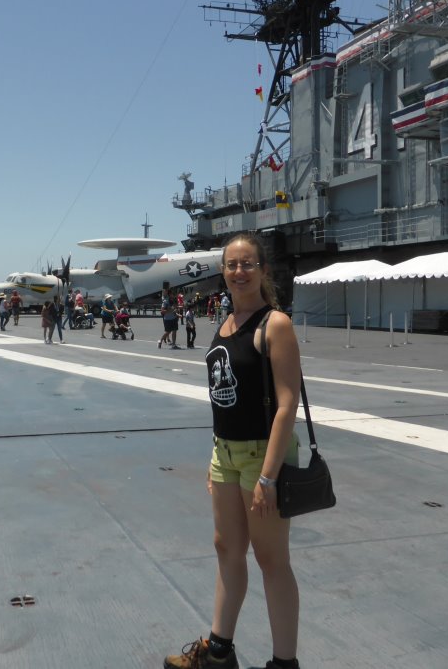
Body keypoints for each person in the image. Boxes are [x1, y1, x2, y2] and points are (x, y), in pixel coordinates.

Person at [164, 232, 302, 669]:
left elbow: (287, 404)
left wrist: (268, 475)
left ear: (263, 270)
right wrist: (215, 456)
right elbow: (225, 396)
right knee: (226, 547)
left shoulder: (274, 323)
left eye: (247, 264)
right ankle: (219, 652)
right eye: (231, 264)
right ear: (222, 271)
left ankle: (284, 663)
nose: (238, 271)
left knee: (271, 559)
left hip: (263, 456)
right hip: (224, 453)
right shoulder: (224, 324)